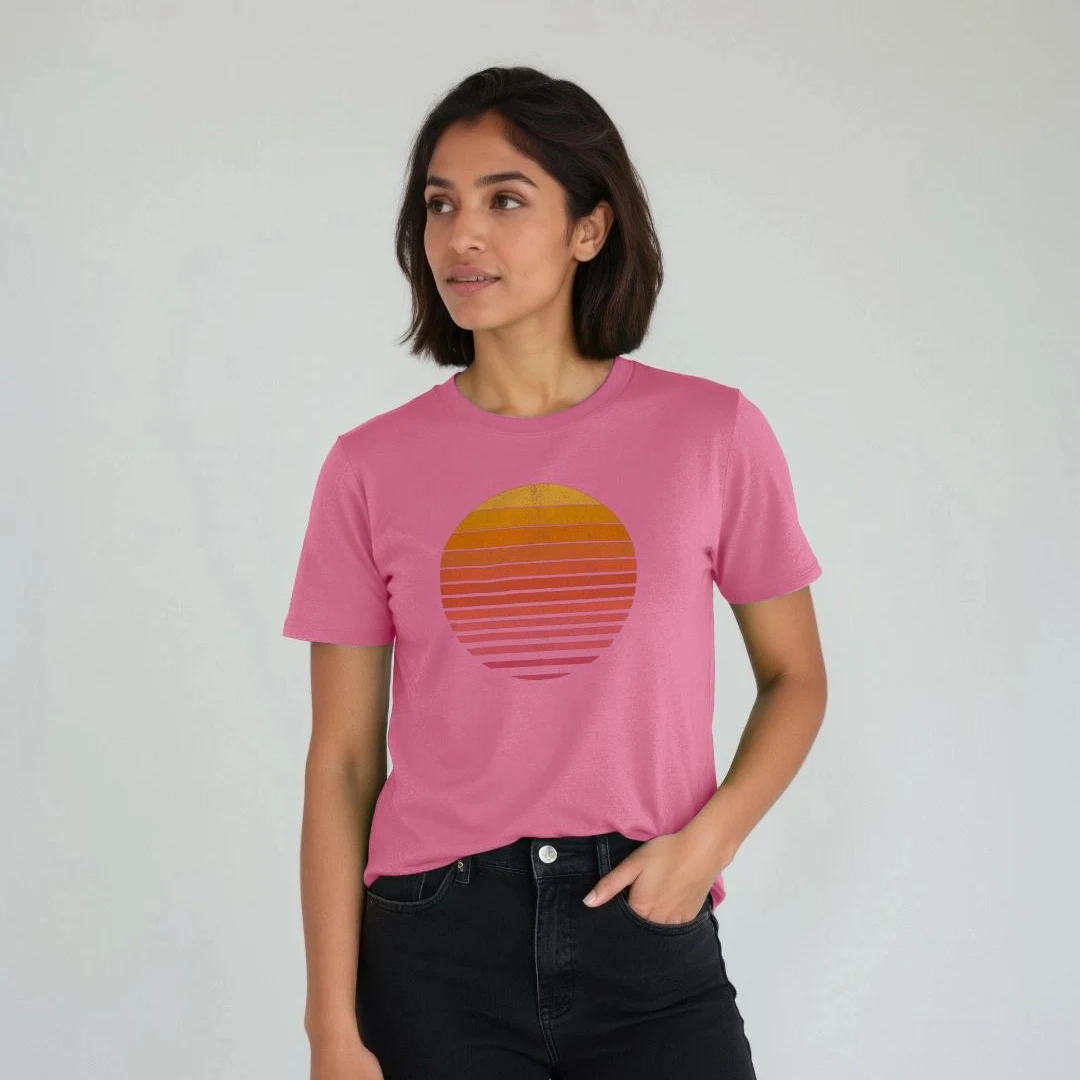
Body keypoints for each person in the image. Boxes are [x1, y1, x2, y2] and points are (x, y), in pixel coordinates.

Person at [282, 65, 827, 1080]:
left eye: (505, 200)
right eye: (440, 204)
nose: (461, 235)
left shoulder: (710, 433)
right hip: (433, 945)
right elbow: (344, 761)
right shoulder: (370, 466)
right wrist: (331, 1029)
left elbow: (795, 676)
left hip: (647, 929)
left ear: (590, 228)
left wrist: (709, 844)